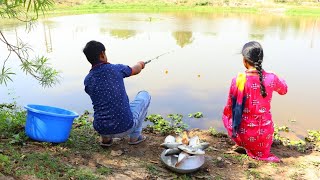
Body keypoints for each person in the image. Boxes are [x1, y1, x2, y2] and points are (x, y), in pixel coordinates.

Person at [222, 41, 288, 162]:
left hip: (243, 135)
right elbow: (284, 90)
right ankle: (257, 149)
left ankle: (244, 144)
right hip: (264, 138)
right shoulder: (271, 78)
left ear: (244, 61)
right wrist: (275, 74)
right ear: (261, 59)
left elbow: (229, 108)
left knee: (226, 116)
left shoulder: (237, 80)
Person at [83, 40, 151, 147]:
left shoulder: (88, 80)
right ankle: (135, 137)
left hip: (102, 128)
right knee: (144, 95)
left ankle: (106, 140)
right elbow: (135, 70)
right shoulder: (116, 69)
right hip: (126, 127)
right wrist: (140, 64)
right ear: (102, 54)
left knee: (103, 107)